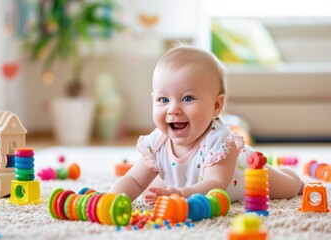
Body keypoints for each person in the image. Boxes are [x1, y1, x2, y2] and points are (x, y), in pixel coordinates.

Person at [108, 45, 303, 205]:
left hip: (247, 173)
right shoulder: (156, 143)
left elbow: (215, 184)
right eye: (163, 100)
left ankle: (295, 179)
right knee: (152, 184)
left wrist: (181, 195)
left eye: (187, 98)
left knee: (287, 188)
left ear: (216, 106)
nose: (173, 109)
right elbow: (133, 180)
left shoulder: (221, 141)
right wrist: (110, 199)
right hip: (185, 182)